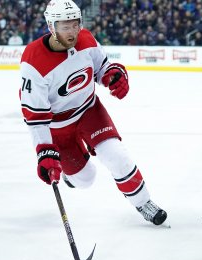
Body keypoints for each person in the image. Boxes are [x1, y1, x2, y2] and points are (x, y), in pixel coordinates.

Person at [19, 0, 167, 226]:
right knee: (86, 179)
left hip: (90, 111)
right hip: (58, 129)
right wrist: (44, 152)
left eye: (75, 24)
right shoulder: (33, 60)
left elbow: (103, 68)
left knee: (117, 156)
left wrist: (114, 76)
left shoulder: (86, 39)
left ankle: (143, 202)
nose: (72, 31)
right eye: (65, 26)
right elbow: (35, 118)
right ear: (51, 27)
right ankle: (73, 175)